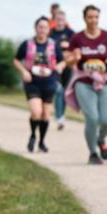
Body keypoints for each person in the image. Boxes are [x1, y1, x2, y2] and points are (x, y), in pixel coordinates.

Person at [64, 5, 107, 165]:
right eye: (90, 17)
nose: (93, 20)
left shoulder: (106, 36)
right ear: (85, 18)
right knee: (92, 117)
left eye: (96, 17)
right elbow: (67, 60)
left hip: (104, 80)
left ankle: (101, 140)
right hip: (84, 82)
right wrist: (75, 58)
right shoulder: (77, 38)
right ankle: (92, 153)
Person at [13, 17, 66, 153]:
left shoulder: (54, 45)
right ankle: (32, 136)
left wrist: (59, 66)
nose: (42, 30)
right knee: (36, 112)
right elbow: (16, 60)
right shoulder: (27, 44)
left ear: (49, 30)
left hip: (49, 82)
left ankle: (41, 142)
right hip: (33, 82)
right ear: (35, 28)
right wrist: (24, 71)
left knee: (45, 115)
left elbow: (62, 61)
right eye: (40, 27)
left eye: (45, 27)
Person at [50, 9, 75, 130]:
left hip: (68, 65)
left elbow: (76, 49)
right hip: (55, 66)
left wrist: (68, 46)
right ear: (54, 21)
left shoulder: (70, 33)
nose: (60, 22)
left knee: (65, 92)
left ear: (65, 21)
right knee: (58, 90)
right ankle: (59, 116)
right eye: (58, 20)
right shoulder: (50, 34)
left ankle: (61, 115)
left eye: (62, 20)